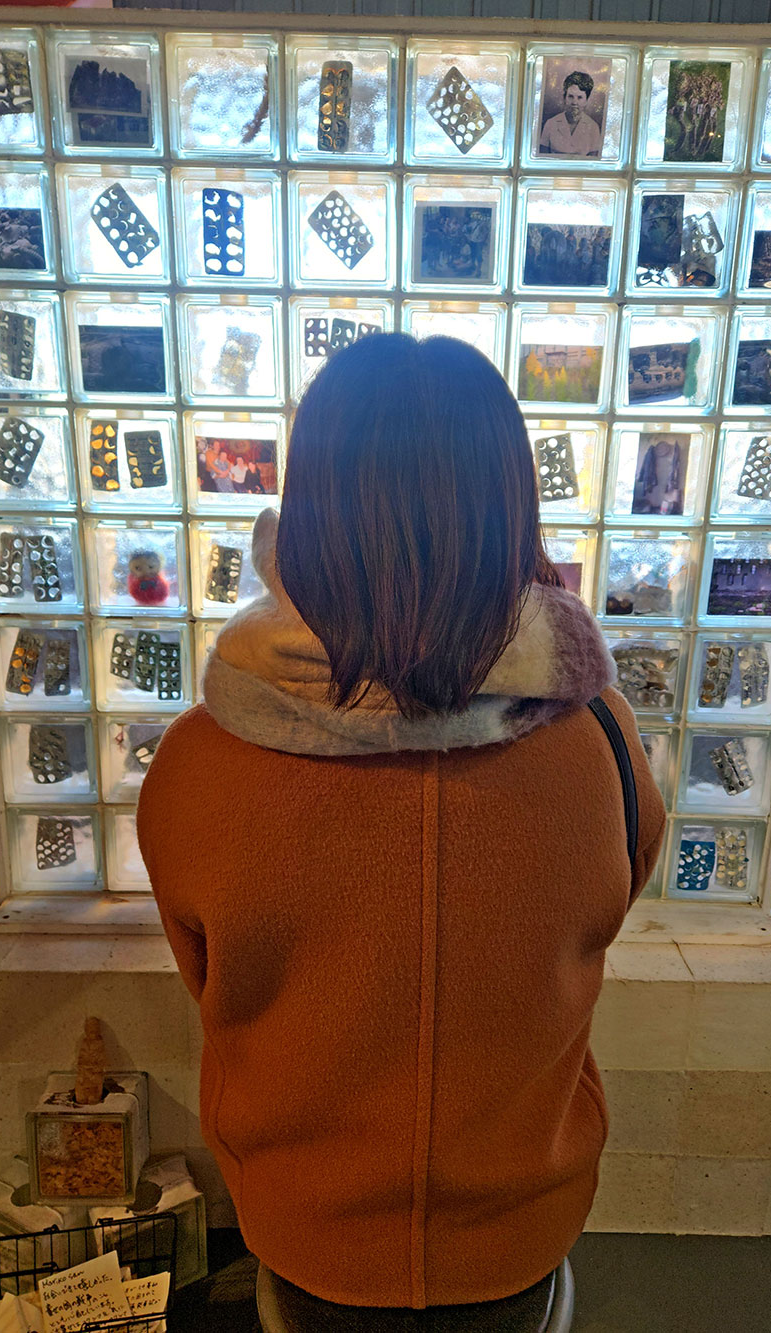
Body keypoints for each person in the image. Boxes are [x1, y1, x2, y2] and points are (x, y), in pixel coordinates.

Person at [137, 333, 665, 1332]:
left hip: (303, 1229)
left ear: (309, 509)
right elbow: (615, 894)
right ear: (512, 502)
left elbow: (209, 973)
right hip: (521, 1225)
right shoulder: (597, 736)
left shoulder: (202, 760)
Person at [538, 69, 602, 157]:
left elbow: (593, 163)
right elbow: (542, 157)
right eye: (570, 96)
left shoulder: (593, 127)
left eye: (580, 97)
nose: (574, 102)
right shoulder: (551, 124)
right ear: (564, 98)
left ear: (586, 100)